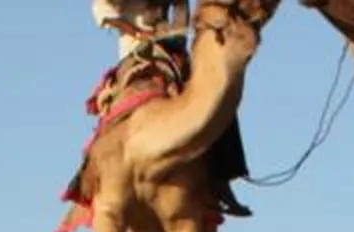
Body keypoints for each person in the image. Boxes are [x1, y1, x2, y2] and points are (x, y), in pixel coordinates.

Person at [88, 0, 255, 218]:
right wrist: (138, 33)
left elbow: (181, 9)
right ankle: (98, 180)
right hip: (138, 54)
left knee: (217, 100)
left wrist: (179, 32)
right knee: (121, 110)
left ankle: (223, 177)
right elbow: (104, 11)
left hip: (173, 52)